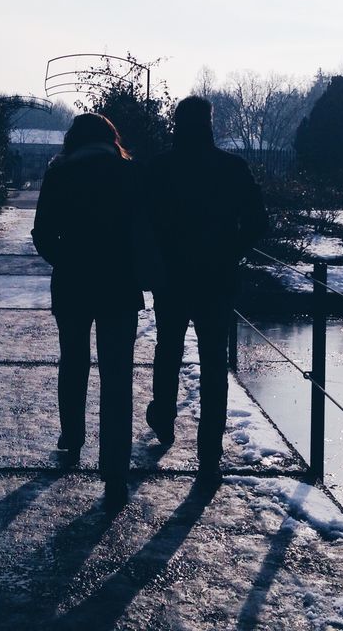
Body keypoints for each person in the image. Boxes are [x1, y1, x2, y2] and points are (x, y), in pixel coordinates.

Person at [145, 96, 268, 490]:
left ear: (176, 124)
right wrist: (232, 250)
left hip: (172, 277)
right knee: (214, 364)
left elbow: (144, 222)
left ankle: (164, 416)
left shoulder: (160, 168)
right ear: (210, 123)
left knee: (168, 349)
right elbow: (257, 222)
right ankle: (209, 455)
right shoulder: (232, 168)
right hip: (216, 278)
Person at [31, 112, 143, 512]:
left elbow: (41, 234)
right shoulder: (129, 174)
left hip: (73, 285)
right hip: (119, 285)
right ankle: (114, 469)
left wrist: (68, 259)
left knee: (73, 360)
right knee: (117, 376)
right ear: (111, 138)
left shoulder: (60, 174)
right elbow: (143, 230)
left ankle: (72, 436)